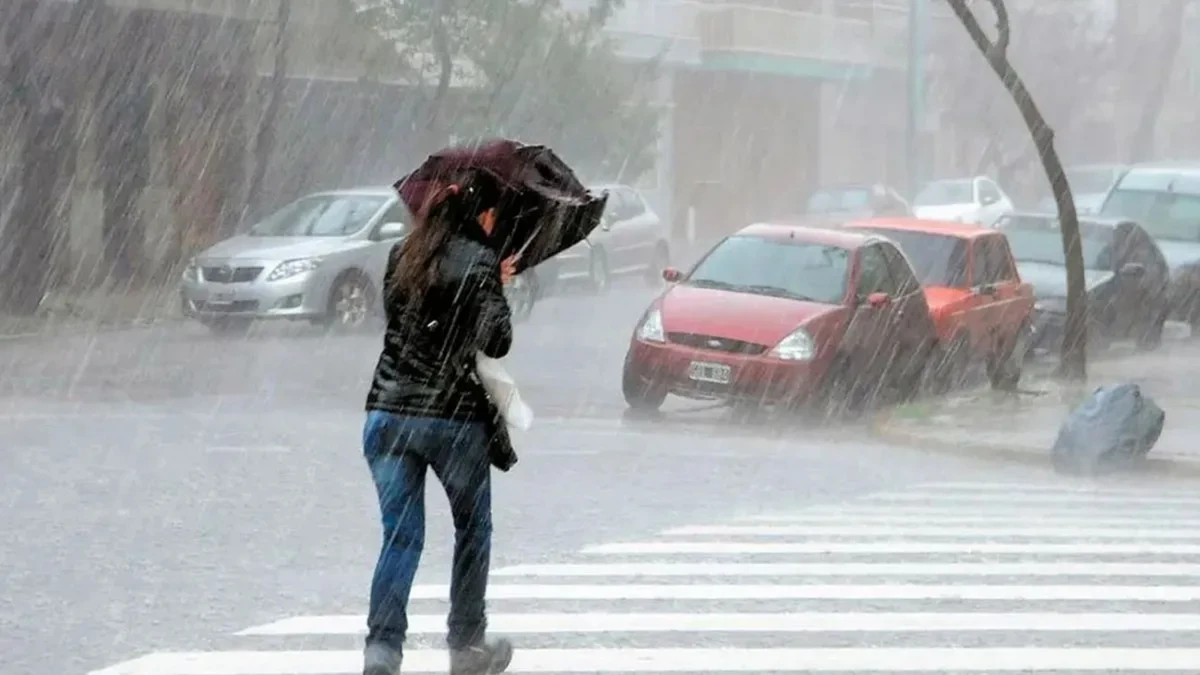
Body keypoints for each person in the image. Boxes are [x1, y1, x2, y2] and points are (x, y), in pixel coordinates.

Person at [361, 168, 516, 675]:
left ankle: (382, 651)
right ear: (480, 213)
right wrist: (494, 284)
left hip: (388, 415)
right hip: (452, 420)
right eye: (494, 212)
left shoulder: (401, 255)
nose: (496, 221)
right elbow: (497, 341)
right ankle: (467, 645)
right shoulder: (479, 260)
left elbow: (401, 318)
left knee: (400, 537)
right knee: (473, 528)